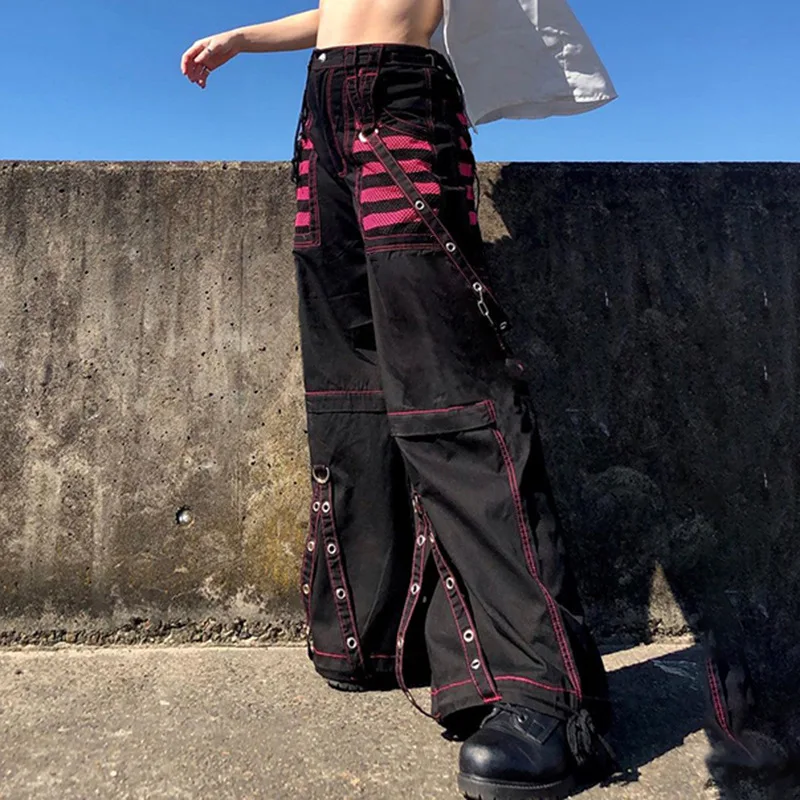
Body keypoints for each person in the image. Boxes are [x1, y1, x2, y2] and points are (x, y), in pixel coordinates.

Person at [181, 2, 617, 798]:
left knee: (451, 389)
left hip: (401, 98)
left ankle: (545, 693)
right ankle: (381, 632)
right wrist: (242, 38)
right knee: (349, 382)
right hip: (320, 113)